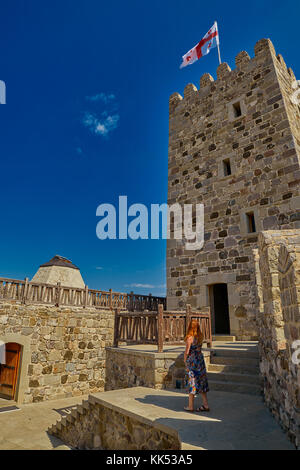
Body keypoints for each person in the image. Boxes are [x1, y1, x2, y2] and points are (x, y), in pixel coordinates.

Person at [183, 319, 210, 412]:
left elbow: (187, 352)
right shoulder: (200, 337)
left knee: (192, 382)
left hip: (192, 362)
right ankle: (205, 405)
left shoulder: (189, 338)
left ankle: (190, 406)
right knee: (201, 381)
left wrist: (185, 361)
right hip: (200, 360)